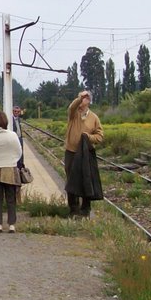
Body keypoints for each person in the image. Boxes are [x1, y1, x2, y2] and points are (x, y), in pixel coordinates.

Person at [63, 90, 104, 218]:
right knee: (71, 180)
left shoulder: (94, 118)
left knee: (86, 179)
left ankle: (85, 209)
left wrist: (89, 137)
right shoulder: (73, 113)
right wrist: (79, 98)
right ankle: (73, 209)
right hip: (71, 152)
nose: (82, 100)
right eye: (81, 97)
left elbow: (100, 136)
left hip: (86, 153)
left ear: (89, 101)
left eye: (85, 98)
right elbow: (71, 107)